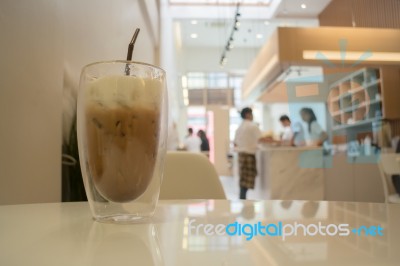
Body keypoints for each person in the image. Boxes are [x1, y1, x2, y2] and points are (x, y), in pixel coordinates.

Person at [234, 107, 264, 200]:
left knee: (243, 179)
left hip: (241, 154)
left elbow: (235, 143)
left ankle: (242, 198)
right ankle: (243, 199)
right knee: (247, 179)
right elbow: (261, 139)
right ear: (248, 114)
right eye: (251, 114)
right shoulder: (252, 126)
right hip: (248, 155)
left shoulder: (239, 127)